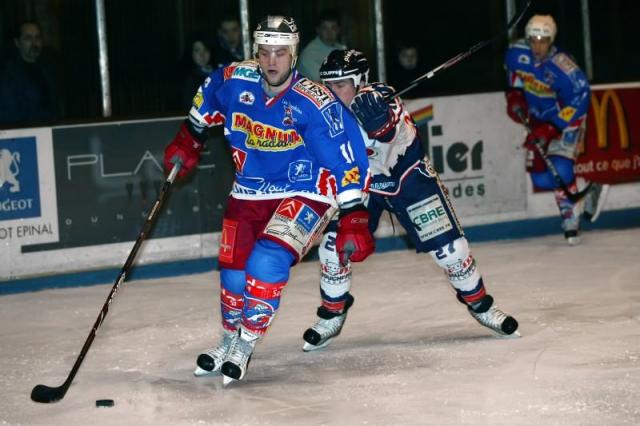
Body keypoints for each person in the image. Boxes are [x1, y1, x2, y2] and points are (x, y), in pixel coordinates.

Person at [163, 16, 374, 384]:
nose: (272, 61)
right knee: (232, 273)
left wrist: (354, 212)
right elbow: (208, 96)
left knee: (266, 261)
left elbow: (346, 156)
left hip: (306, 191)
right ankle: (228, 340)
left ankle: (245, 343)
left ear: (293, 54)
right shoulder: (233, 79)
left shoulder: (314, 101)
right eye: (265, 52)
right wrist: (189, 137)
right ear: (255, 54)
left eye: (280, 52)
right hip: (248, 190)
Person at [301, 49, 520, 352]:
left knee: (451, 251)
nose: (333, 93)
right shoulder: (325, 115)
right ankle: (332, 314)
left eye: (340, 85)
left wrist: (381, 122)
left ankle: (481, 306)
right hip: (362, 188)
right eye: (328, 85)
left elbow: (401, 138)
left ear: (360, 80)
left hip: (408, 180)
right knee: (333, 247)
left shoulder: (382, 98)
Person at [504, 15, 608, 245]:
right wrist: (514, 96)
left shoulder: (563, 67)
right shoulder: (516, 53)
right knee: (541, 178)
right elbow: (514, 79)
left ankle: (571, 219)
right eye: (534, 39)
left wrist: (553, 127)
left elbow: (582, 98)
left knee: (560, 168)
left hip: (567, 120)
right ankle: (589, 190)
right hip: (538, 120)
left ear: (551, 40)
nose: (538, 45)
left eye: (543, 40)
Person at [0, 21, 62, 126]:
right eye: (28, 38)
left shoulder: (48, 70)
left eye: (37, 38)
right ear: (17, 43)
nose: (34, 43)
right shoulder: (8, 75)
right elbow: (9, 115)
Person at [297, 11, 346, 81]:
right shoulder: (309, 54)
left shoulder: (342, 49)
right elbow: (325, 83)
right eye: (325, 28)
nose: (329, 32)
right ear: (318, 30)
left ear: (338, 30)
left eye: (333, 28)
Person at [181, 35, 214, 109]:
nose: (202, 55)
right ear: (190, 52)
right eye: (197, 50)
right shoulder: (188, 79)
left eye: (205, 50)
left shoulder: (220, 71)